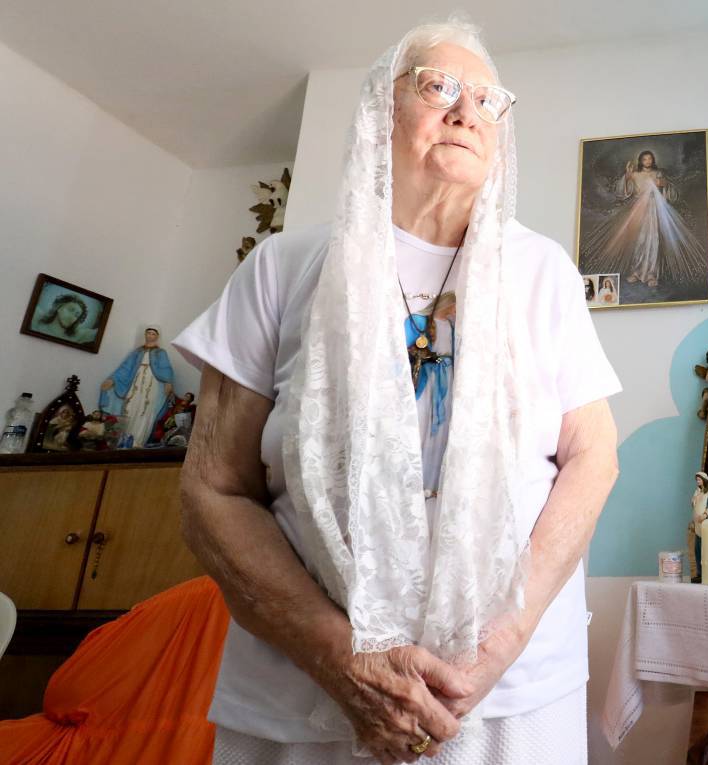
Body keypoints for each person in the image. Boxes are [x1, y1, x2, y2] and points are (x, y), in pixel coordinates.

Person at [175, 21, 621, 765]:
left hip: (510, 689)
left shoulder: (543, 271)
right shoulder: (282, 268)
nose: (465, 110)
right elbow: (211, 490)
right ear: (382, 111)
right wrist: (339, 656)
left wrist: (494, 650)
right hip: (304, 692)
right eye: (438, 85)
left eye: (486, 97)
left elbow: (593, 457)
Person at [579, 149, 707, 289]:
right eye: (645, 159)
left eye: (650, 159)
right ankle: (636, 271)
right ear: (641, 161)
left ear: (653, 160)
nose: (648, 161)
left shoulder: (658, 174)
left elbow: (670, 192)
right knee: (638, 241)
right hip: (638, 209)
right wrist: (627, 177)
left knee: (653, 241)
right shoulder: (635, 174)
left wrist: (664, 185)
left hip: (654, 209)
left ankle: (651, 274)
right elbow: (622, 192)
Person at [100, 327, 175, 448]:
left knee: (146, 409)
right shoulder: (137, 352)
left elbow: (166, 368)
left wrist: (168, 382)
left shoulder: (161, 352)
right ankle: (124, 438)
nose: (150, 335)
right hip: (136, 381)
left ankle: (139, 440)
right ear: (145, 335)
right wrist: (113, 379)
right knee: (130, 406)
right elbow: (126, 367)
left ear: (157, 336)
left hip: (152, 383)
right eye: (148, 333)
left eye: (153, 333)